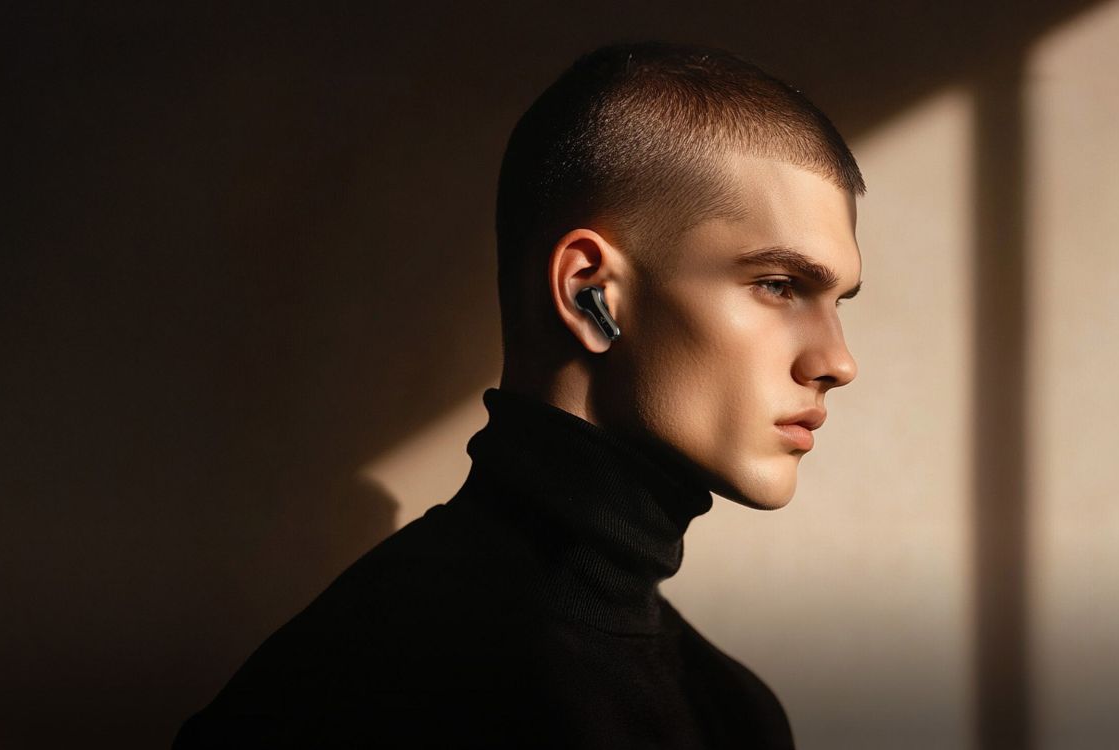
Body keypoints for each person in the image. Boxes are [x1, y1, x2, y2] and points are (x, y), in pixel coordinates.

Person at [175, 41, 864, 748]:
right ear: (591, 293)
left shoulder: (739, 713)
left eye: (839, 300)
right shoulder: (345, 693)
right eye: (778, 285)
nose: (838, 362)